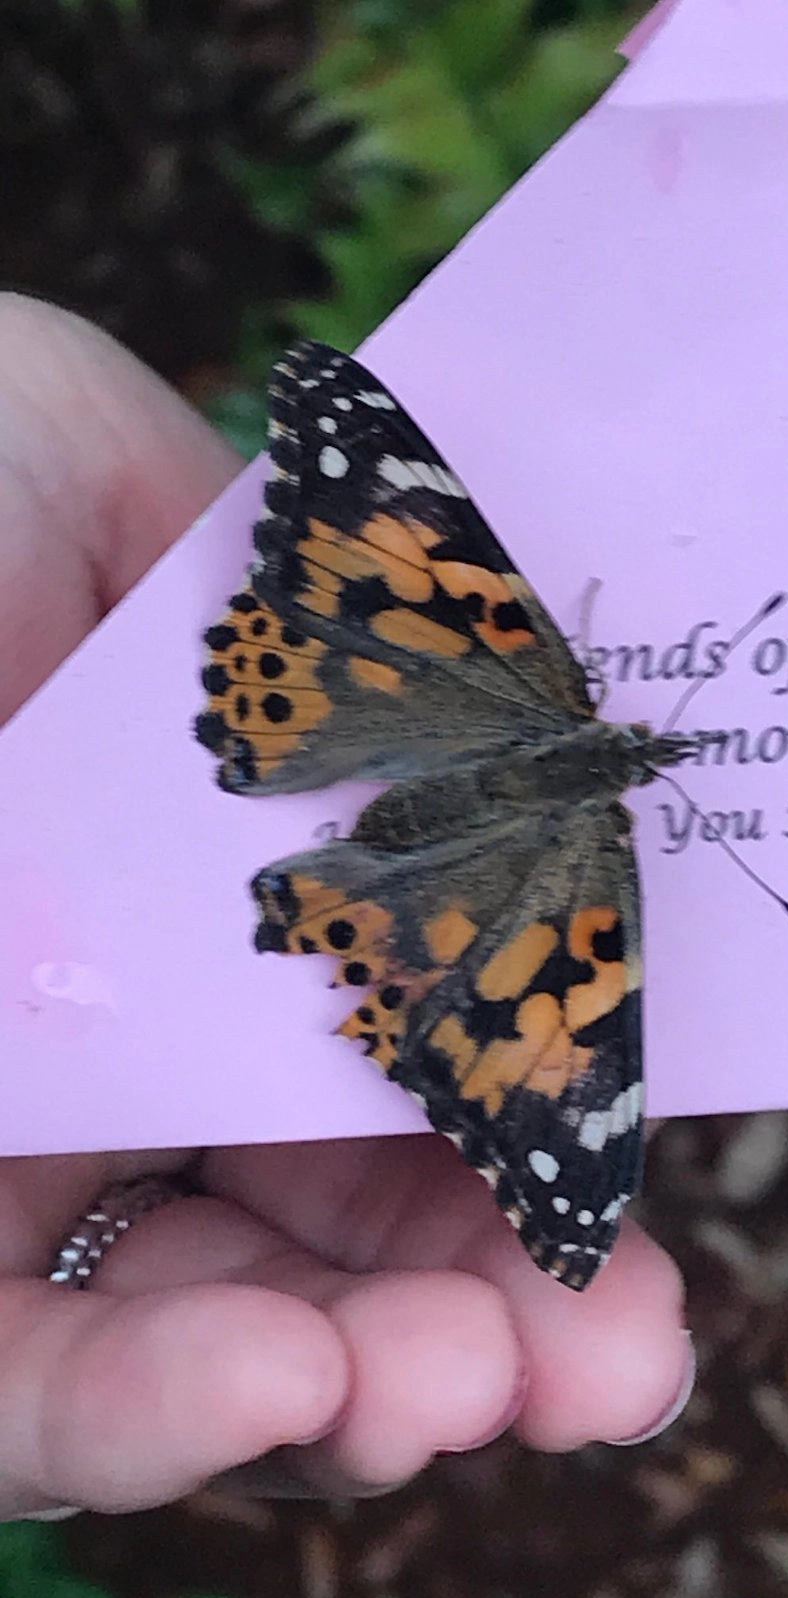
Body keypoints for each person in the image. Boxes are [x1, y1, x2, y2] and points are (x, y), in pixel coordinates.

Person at [0, 294, 692, 1520]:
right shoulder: (598, 894)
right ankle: (344, 920)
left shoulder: (529, 663)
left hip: (354, 698)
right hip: (437, 887)